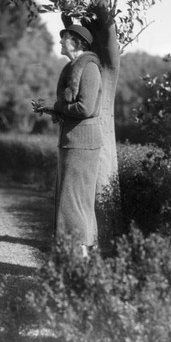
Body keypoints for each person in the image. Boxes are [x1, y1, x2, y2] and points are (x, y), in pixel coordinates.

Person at [33, 24, 102, 257]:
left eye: (66, 39)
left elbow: (85, 108)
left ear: (78, 43)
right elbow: (73, 109)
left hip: (82, 143)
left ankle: (79, 257)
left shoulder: (89, 68)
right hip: (72, 141)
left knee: (74, 201)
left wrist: (55, 106)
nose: (61, 42)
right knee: (73, 199)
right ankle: (80, 256)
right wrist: (49, 109)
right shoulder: (72, 67)